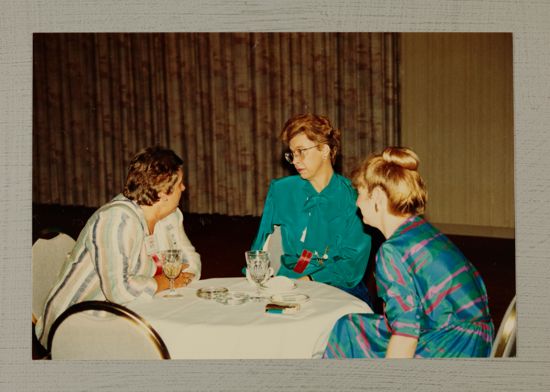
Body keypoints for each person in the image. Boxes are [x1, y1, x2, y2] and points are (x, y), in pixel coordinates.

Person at [323, 147, 494, 358]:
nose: (357, 203)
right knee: (348, 326)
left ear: (376, 196)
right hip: (474, 337)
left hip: (452, 344)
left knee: (354, 338)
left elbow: (405, 335)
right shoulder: (419, 229)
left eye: (359, 193)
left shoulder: (392, 251)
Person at [35, 146, 201, 348]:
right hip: (77, 322)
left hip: (129, 309)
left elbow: (191, 263)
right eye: (179, 183)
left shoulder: (170, 216)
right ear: (163, 192)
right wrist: (164, 281)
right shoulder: (117, 220)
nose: (183, 188)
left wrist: (164, 279)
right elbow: (119, 291)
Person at [250, 113, 372, 303]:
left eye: (301, 151)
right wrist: (258, 277)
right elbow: (261, 246)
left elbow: (351, 265)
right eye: (292, 153)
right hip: (287, 280)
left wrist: (308, 281)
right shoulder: (282, 190)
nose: (295, 160)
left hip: (337, 284)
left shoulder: (352, 197)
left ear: (324, 149)